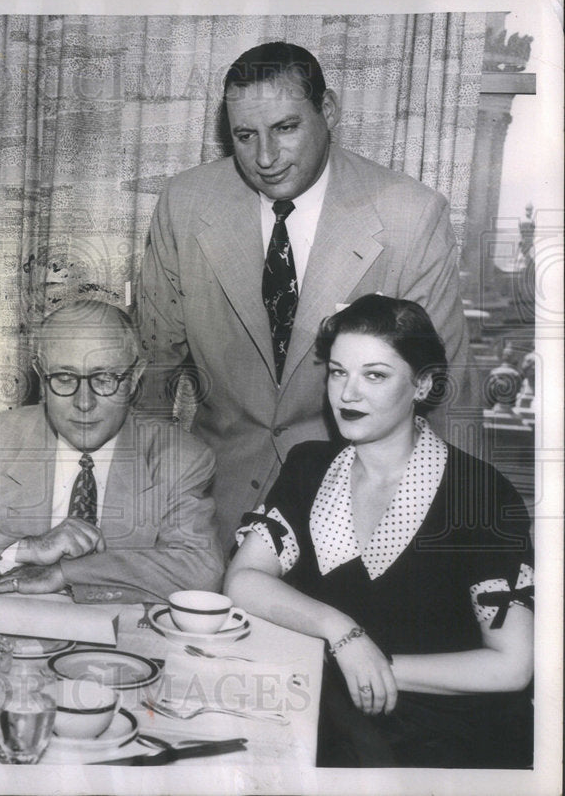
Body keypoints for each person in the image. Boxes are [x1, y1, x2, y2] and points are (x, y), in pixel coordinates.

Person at [137, 41, 470, 552]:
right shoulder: (185, 203)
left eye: (285, 128)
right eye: (245, 136)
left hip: (356, 513)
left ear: (328, 111)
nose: (265, 159)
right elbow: (152, 374)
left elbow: (443, 394)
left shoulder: (411, 215)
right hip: (209, 511)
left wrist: (440, 543)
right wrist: (138, 517)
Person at [224, 295, 533, 768]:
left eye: (375, 375)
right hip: (318, 713)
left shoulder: (479, 496)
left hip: (445, 737)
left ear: (423, 385)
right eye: (337, 371)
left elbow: (512, 664)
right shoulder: (308, 466)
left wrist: (379, 668)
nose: (347, 394)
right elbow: (243, 580)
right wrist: (342, 634)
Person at [0, 299, 223, 602]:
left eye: (105, 378)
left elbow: (200, 570)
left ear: (134, 377)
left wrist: (66, 575)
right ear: (40, 375)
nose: (84, 403)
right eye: (64, 378)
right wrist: (28, 549)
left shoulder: (179, 457)